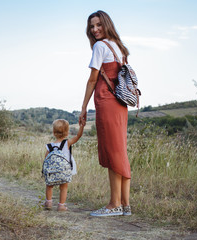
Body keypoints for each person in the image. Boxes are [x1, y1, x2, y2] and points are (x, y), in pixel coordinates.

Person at [79, 10, 132, 217]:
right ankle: (125, 205)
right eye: (92, 27)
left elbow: (92, 80)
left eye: (98, 25)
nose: (95, 29)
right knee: (119, 150)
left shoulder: (101, 46)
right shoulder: (119, 47)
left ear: (106, 24)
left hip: (107, 102)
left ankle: (114, 204)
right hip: (120, 103)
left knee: (112, 152)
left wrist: (83, 107)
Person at [43, 119, 84, 211]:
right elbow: (78, 136)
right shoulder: (67, 143)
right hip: (64, 170)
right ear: (67, 132)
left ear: (53, 132)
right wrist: (82, 126)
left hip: (51, 171)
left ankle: (48, 202)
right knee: (64, 187)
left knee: (49, 185)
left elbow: (46, 158)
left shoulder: (50, 146)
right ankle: (61, 205)